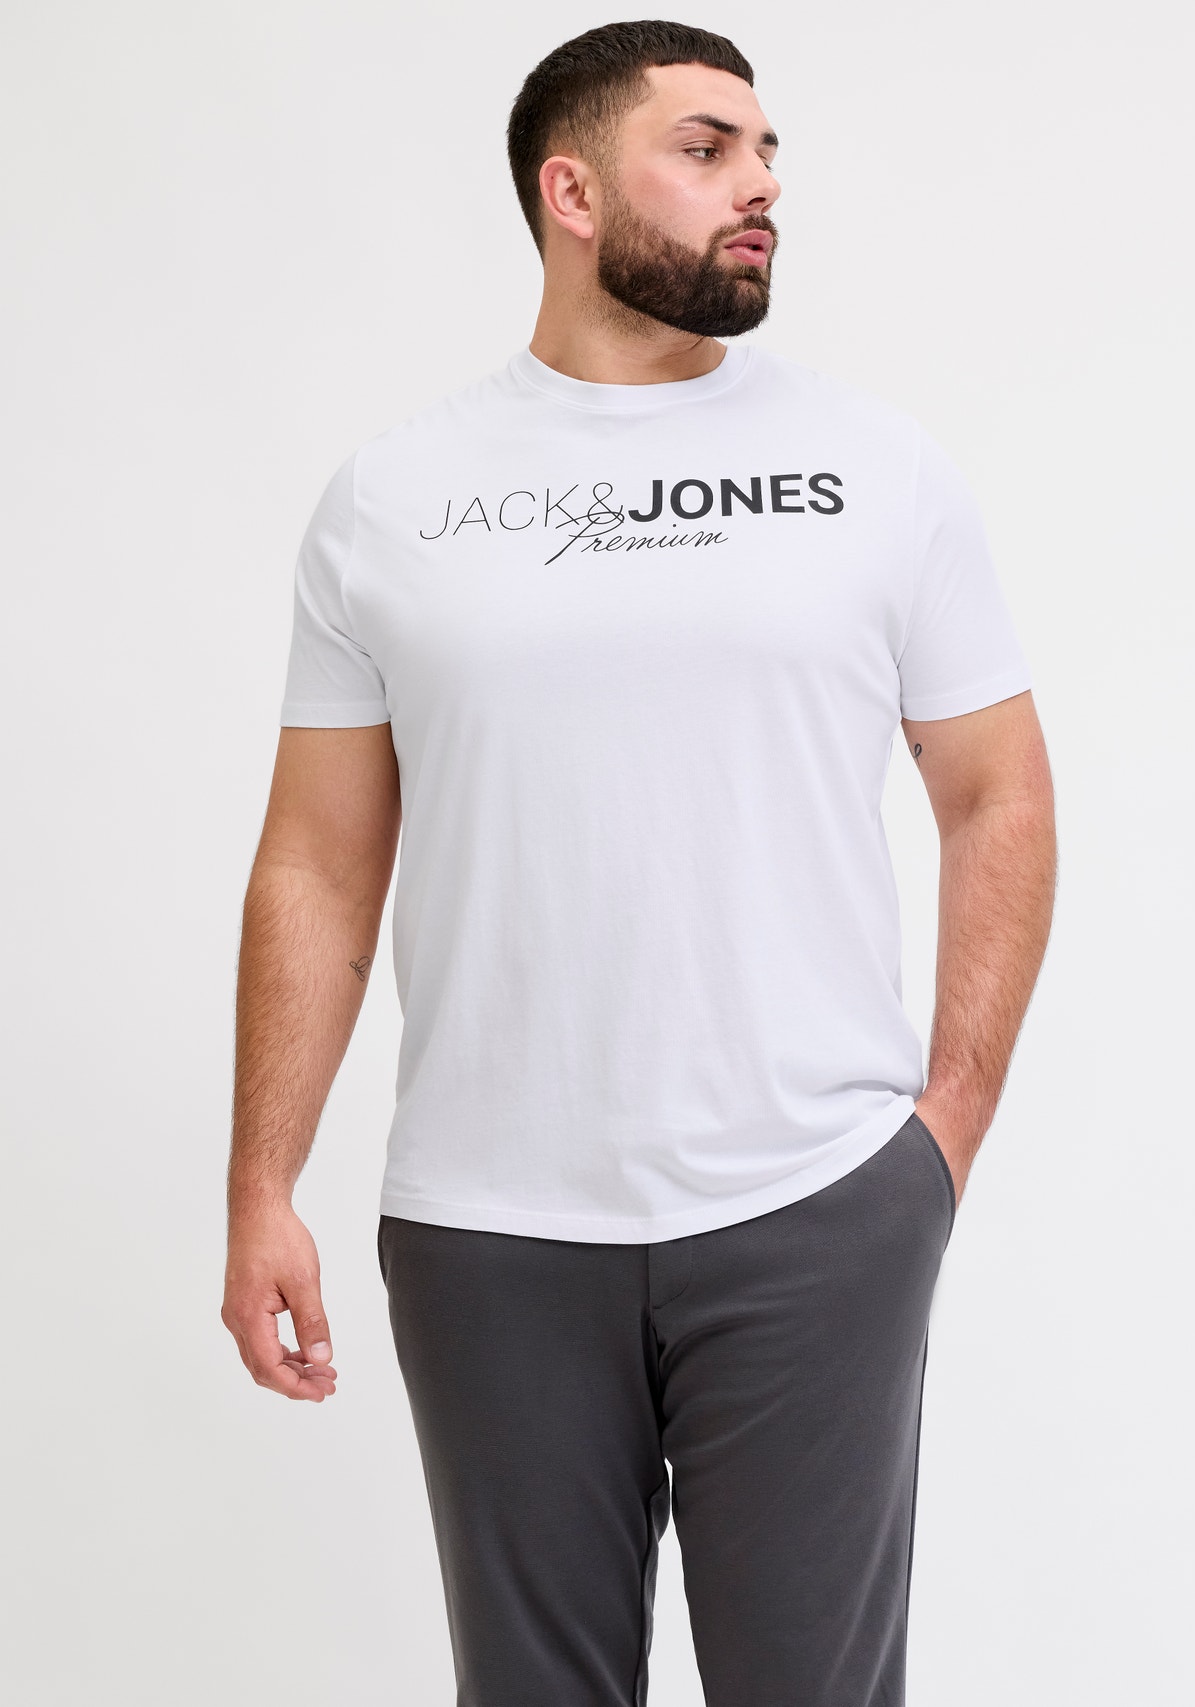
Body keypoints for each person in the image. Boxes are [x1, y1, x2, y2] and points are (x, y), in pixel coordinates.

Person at [223, 19, 1057, 1705]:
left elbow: (1000, 797)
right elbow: (316, 860)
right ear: (573, 191)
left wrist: (938, 1137)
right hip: (487, 1229)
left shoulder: (879, 472)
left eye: (767, 153)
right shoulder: (394, 500)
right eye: (707, 148)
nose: (761, 187)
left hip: (815, 1205)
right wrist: (262, 1185)